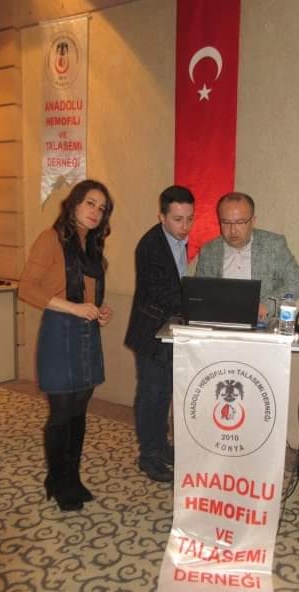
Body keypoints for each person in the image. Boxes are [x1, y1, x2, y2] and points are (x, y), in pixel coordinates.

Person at [19, 179, 114, 511]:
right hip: (59, 332)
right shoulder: (50, 239)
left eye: (102, 208)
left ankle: (71, 477)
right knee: (61, 413)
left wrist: (100, 311)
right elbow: (27, 289)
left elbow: (88, 296)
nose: (96, 212)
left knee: (79, 412)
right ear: (74, 204)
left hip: (88, 334)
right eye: (90, 203)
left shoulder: (92, 247)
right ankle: (58, 480)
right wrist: (74, 308)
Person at [125, 185, 195, 482]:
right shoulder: (150, 246)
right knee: (151, 394)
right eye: (178, 219)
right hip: (151, 332)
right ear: (161, 217)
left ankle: (161, 446)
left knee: (164, 392)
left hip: (169, 330)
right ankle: (148, 455)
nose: (185, 226)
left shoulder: (178, 240)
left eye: (190, 218)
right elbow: (160, 294)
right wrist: (198, 303)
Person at [195, 192, 299, 320]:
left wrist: (267, 305)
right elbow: (199, 292)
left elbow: (297, 283)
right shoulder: (209, 250)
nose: (232, 230)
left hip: (263, 324)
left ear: (253, 221)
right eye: (225, 222)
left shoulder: (274, 245)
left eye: (240, 222)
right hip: (220, 322)